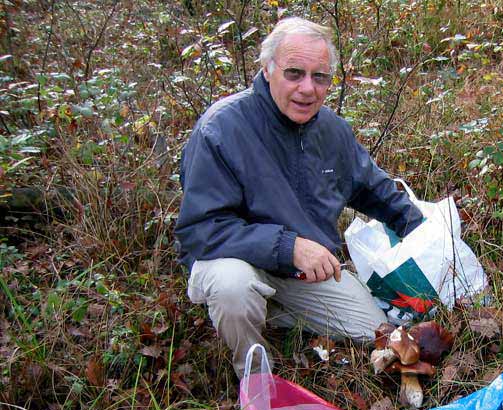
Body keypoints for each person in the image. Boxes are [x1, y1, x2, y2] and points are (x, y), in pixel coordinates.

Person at [176, 17, 423, 377]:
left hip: (301, 274)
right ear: (267, 70)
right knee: (234, 287)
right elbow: (200, 230)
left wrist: (427, 233)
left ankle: (269, 311)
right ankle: (254, 377)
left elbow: (374, 190)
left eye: (319, 77)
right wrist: (289, 246)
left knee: (372, 330)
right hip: (233, 261)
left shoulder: (332, 131)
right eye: (294, 73)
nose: (308, 88)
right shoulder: (223, 128)